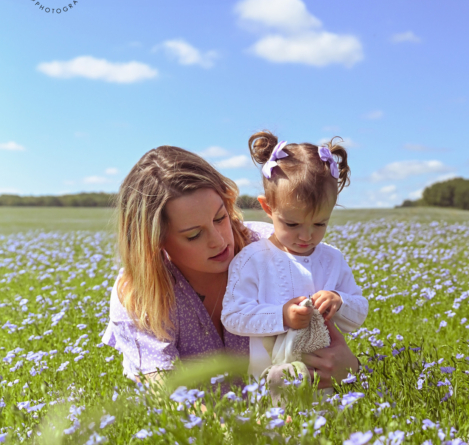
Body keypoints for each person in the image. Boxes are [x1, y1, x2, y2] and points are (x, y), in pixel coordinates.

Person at [102, 145, 360, 388]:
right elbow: (163, 391)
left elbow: (325, 336)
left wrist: (350, 368)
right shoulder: (140, 292)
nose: (219, 241)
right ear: (155, 241)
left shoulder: (273, 249)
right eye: (194, 235)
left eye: (220, 217)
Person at [221, 131, 368, 380]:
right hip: (269, 388)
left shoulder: (332, 259)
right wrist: (281, 316)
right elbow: (233, 316)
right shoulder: (252, 260)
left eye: (320, 224)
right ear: (268, 207)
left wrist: (339, 301)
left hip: (327, 382)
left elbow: (359, 312)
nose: (306, 237)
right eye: (292, 225)